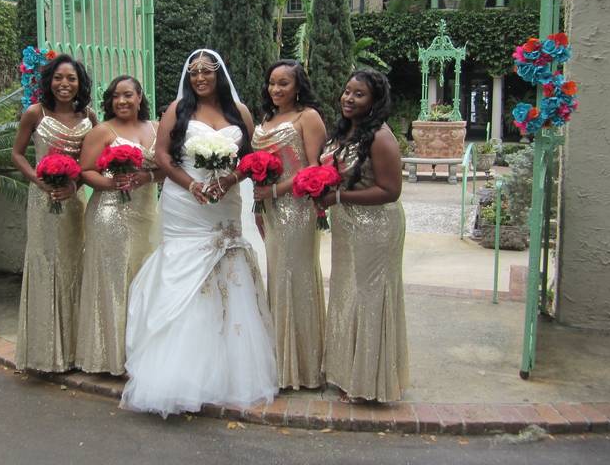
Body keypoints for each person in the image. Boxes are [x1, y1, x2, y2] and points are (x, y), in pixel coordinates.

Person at [120, 49, 277, 417]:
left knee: (227, 269)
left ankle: (227, 370)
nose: (200, 78)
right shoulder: (177, 109)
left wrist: (230, 180)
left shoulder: (241, 113)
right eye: (194, 73)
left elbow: (251, 160)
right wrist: (192, 185)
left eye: (207, 72)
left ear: (220, 73)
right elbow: (162, 156)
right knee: (184, 271)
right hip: (185, 201)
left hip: (224, 200)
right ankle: (177, 373)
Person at [318, 69, 408, 402]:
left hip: (377, 227)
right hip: (348, 225)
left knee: (369, 297)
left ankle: (368, 383)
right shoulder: (345, 131)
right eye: (347, 91)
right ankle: (346, 372)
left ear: (375, 101)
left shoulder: (381, 137)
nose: (348, 98)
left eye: (359, 94)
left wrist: (339, 198)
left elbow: (390, 190)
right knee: (347, 293)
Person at [13, 54, 95, 373]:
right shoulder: (35, 113)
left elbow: (97, 156)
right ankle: (45, 353)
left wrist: (74, 185)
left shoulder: (89, 116)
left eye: (71, 78)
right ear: (49, 81)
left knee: (74, 265)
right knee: (48, 265)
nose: (65, 84)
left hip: (74, 201)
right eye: (59, 78)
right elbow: (17, 154)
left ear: (80, 83)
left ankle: (75, 350)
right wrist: (39, 180)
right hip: (43, 202)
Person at [75, 75, 162, 375]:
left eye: (128, 95)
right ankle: (109, 357)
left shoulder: (157, 128)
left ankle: (142, 354)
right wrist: (112, 183)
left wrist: (147, 177)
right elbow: (85, 171)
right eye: (116, 96)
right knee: (114, 282)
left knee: (144, 280)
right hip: (109, 215)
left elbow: (166, 170)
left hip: (147, 215)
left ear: (140, 97)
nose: (122, 101)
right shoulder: (102, 130)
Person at [251, 60, 327, 390]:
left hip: (297, 208)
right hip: (269, 208)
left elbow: (314, 170)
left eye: (284, 83)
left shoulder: (307, 117)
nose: (276, 89)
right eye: (272, 83)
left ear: (298, 86)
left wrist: (275, 190)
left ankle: (305, 368)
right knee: (277, 279)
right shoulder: (267, 119)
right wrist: (260, 203)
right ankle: (281, 364)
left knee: (294, 278)